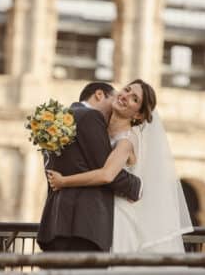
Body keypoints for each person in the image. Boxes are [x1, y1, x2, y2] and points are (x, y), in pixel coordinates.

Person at [47, 79, 193, 253]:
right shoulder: (99, 128)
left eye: (134, 99)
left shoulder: (126, 140)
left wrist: (64, 181)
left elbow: (106, 175)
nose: (125, 96)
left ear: (138, 115)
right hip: (98, 212)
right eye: (126, 90)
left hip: (118, 215)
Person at [37, 82, 142, 252]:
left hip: (55, 222)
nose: (120, 101)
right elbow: (105, 170)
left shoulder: (55, 121)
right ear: (99, 95)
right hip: (84, 224)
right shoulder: (90, 117)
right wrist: (137, 186)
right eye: (115, 97)